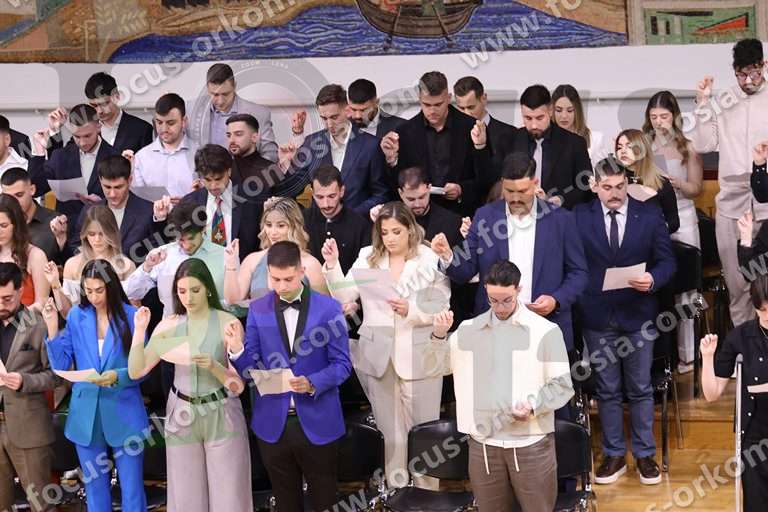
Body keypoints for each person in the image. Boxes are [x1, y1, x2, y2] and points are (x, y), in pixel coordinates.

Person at [322, 201, 450, 488]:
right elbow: (345, 297)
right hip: (378, 355)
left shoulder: (428, 257)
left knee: (423, 433)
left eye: (396, 232)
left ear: (410, 230)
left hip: (419, 353)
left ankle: (426, 497)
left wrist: (411, 310)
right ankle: (396, 495)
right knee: (390, 435)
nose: (390, 238)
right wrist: (332, 265)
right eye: (385, 232)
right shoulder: (367, 256)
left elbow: (442, 304)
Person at [428, 261, 573, 512]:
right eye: (493, 300)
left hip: (529, 442)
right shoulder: (468, 330)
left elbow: (562, 385)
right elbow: (437, 368)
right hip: (483, 443)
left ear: (518, 290)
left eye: (507, 300)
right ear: (485, 290)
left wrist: (533, 406)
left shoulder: (545, 331)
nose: (500, 307)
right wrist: (439, 335)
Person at [574, 157, 676, 486]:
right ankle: (614, 454)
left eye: (620, 186)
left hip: (638, 313)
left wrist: (653, 278)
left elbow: (667, 262)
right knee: (607, 389)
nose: (615, 193)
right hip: (597, 315)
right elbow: (572, 263)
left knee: (641, 388)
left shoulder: (649, 214)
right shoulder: (579, 217)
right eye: (607, 187)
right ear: (595, 186)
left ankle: (645, 455)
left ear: (627, 183)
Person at [228, 241, 350, 511]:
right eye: (275, 279)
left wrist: (313, 383)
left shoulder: (329, 308)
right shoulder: (257, 309)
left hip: (319, 421)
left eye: (288, 279)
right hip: (273, 425)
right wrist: (237, 351)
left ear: (302, 271)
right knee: (285, 503)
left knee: (326, 501)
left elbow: (342, 365)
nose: (281, 286)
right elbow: (250, 372)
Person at [432, 153, 588, 353]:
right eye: (509, 191)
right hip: (493, 326)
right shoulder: (485, 216)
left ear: (535, 183)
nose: (515, 198)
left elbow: (579, 273)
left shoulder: (562, 219)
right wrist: (448, 256)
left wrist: (556, 300)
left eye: (522, 191)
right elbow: (467, 269)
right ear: (502, 183)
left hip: (546, 326)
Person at [128, 258, 252, 512]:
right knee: (185, 498)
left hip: (221, 409)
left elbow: (238, 386)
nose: (188, 298)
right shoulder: (168, 324)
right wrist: (139, 331)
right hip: (181, 412)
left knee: (230, 496)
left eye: (195, 290)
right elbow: (136, 370)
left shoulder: (227, 322)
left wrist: (214, 366)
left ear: (208, 288)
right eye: (182, 291)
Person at [43, 259, 148, 512]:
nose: (93, 297)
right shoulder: (77, 315)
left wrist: (117, 376)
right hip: (86, 414)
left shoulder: (133, 316)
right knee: (94, 489)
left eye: (99, 290)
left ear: (111, 286)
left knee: (132, 489)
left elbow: (143, 369)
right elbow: (61, 364)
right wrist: (52, 327)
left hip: (124, 411)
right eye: (88, 291)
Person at [690, 38, 768, 327]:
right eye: (741, 74)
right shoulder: (724, 100)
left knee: (766, 289)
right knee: (738, 289)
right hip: (731, 206)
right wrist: (703, 103)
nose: (748, 81)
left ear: (764, 66)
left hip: (766, 205)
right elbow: (703, 143)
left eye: (754, 73)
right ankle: (746, 350)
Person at [644, 90, 703, 372]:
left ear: (675, 116)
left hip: (684, 216)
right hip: (654, 219)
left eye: (664, 116)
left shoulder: (687, 147)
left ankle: (688, 355)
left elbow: (697, 188)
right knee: (656, 287)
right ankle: (659, 357)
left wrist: (676, 184)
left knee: (686, 292)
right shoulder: (644, 146)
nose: (659, 122)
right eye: (654, 116)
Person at [380, 71, 492, 216]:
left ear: (449, 98)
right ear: (419, 99)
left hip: (461, 214)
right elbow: (395, 185)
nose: (432, 111)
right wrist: (391, 160)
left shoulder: (471, 127)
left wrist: (461, 189)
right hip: (418, 217)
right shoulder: (405, 131)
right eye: (427, 104)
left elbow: (486, 178)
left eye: (438, 104)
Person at [700, 274, 768, 510]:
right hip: (754, 433)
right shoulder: (740, 337)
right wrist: (707, 357)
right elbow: (711, 394)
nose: (767, 316)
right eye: (762, 310)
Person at [0, 262, 60, 512]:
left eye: (7, 299)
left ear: (20, 291)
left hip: (29, 426)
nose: (1, 305)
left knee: (41, 504)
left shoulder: (38, 325)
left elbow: (57, 376)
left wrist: (26, 381)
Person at [275, 84, 390, 214]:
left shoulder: (371, 145)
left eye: (334, 117)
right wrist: (285, 165)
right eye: (324, 118)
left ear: (348, 111)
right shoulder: (311, 144)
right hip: (318, 225)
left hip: (357, 223)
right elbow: (288, 191)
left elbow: (381, 195)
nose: (329, 124)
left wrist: (352, 217)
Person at [155, 144, 262, 259]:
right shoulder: (190, 201)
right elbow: (172, 242)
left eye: (218, 179)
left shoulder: (251, 201)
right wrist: (162, 219)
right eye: (207, 180)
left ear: (229, 171)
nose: (213, 186)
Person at [28, 104, 117, 238]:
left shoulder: (115, 156)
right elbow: (35, 189)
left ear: (99, 127)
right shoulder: (60, 156)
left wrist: (103, 201)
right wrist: (39, 152)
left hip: (103, 233)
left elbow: (125, 198)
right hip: (67, 233)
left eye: (87, 136)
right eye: (77, 136)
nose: (82, 142)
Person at [124, 201, 226, 317]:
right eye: (181, 240)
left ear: (203, 229)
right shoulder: (162, 255)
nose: (186, 246)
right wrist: (147, 267)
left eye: (191, 238)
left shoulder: (224, 256)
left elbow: (234, 304)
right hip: (171, 326)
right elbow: (130, 292)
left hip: (212, 324)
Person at [224, 197, 327, 304]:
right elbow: (233, 302)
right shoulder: (252, 261)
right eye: (268, 225)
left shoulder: (311, 264)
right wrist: (231, 264)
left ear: (294, 226)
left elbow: (325, 308)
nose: (273, 232)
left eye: (280, 226)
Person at [510, 85, 592, 209]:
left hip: (560, 216)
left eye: (539, 118)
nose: (534, 125)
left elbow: (585, 186)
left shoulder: (574, 143)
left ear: (550, 110)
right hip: (520, 214)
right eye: (528, 118)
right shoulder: (513, 139)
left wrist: (561, 199)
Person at [45, 205, 136, 318]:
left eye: (102, 233)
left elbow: (134, 313)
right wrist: (55, 284)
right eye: (92, 234)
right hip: (80, 326)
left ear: (112, 233)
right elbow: (66, 314)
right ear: (85, 235)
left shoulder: (127, 265)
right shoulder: (72, 265)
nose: (97, 240)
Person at [66, 155, 158, 264]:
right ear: (100, 181)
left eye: (118, 187)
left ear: (130, 180)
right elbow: (76, 244)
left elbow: (156, 250)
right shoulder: (89, 210)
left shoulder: (148, 212)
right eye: (107, 187)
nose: (112, 194)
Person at [185, 63, 277, 162]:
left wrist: (252, 171)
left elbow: (271, 154)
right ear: (207, 88)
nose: (220, 101)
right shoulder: (190, 109)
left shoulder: (259, 113)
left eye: (225, 94)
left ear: (234, 86)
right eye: (215, 95)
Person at [129, 93, 199, 201]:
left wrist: (193, 199)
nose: (164, 129)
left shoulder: (201, 154)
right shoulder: (141, 158)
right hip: (152, 212)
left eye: (170, 123)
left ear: (184, 121)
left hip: (192, 211)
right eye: (159, 122)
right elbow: (138, 199)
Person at [303, 165, 371, 274]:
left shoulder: (360, 225)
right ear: (312, 193)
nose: (326, 204)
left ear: (342, 191)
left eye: (331, 196)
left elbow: (366, 270)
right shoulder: (302, 221)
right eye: (320, 197)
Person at [615, 129, 680, 233]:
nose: (623, 151)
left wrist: (653, 233)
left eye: (629, 146)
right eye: (619, 147)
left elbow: (673, 222)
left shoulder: (661, 182)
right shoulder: (611, 182)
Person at [453, 76, 518, 181]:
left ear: (483, 98)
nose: (466, 113)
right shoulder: (452, 135)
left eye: (471, 107)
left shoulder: (510, 134)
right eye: (461, 108)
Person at [81, 72, 153, 153]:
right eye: (94, 105)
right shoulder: (83, 130)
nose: (99, 111)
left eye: (105, 104)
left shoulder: (142, 130)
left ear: (117, 96)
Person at [0, 168, 60, 262]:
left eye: (19, 195)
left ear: (32, 189)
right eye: (9, 197)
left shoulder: (55, 221)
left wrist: (62, 240)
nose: (14, 202)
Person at [0, 194, 49, 310]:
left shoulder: (35, 256)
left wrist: (14, 317)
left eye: (3, 226)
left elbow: (42, 302)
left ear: (16, 225)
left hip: (25, 319)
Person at [226, 113, 282, 200]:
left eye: (238, 134)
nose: (231, 140)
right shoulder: (224, 169)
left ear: (254, 137)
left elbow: (285, 206)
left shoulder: (271, 171)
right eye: (229, 135)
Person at [551, 84, 608, 165]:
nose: (564, 116)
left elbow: (607, 171)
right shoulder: (543, 140)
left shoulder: (595, 139)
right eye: (559, 110)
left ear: (577, 111)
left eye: (570, 110)